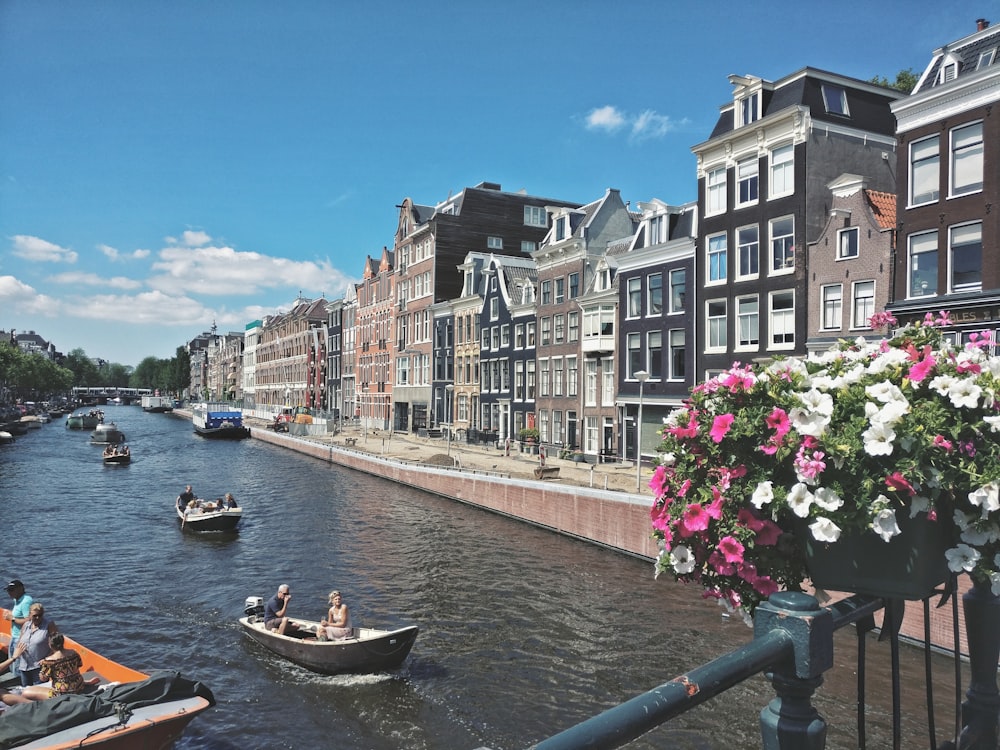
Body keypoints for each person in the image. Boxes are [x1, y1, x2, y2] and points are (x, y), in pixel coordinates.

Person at [5, 632, 99, 704]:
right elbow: (79, 665)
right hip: (78, 686)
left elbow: (43, 678)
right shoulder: (74, 653)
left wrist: (43, 666)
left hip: (61, 693)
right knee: (72, 677)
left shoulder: (49, 661)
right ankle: (85, 683)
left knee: (26, 692)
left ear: (50, 645)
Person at [15, 602, 57, 686]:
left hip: (39, 667)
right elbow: (20, 641)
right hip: (24, 666)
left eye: (40, 615)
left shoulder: (49, 625)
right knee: (26, 691)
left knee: (39, 690)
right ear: (30, 615)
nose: (37, 618)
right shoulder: (26, 625)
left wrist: (47, 659)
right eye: (34, 616)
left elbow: (56, 645)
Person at [3, 580, 32, 679]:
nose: (9, 593)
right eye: (8, 590)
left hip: (20, 638)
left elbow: (29, 620)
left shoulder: (26, 601)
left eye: (12, 590)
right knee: (12, 663)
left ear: (20, 589)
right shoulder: (17, 599)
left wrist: (12, 618)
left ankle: (18, 685)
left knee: (18, 665)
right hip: (14, 636)